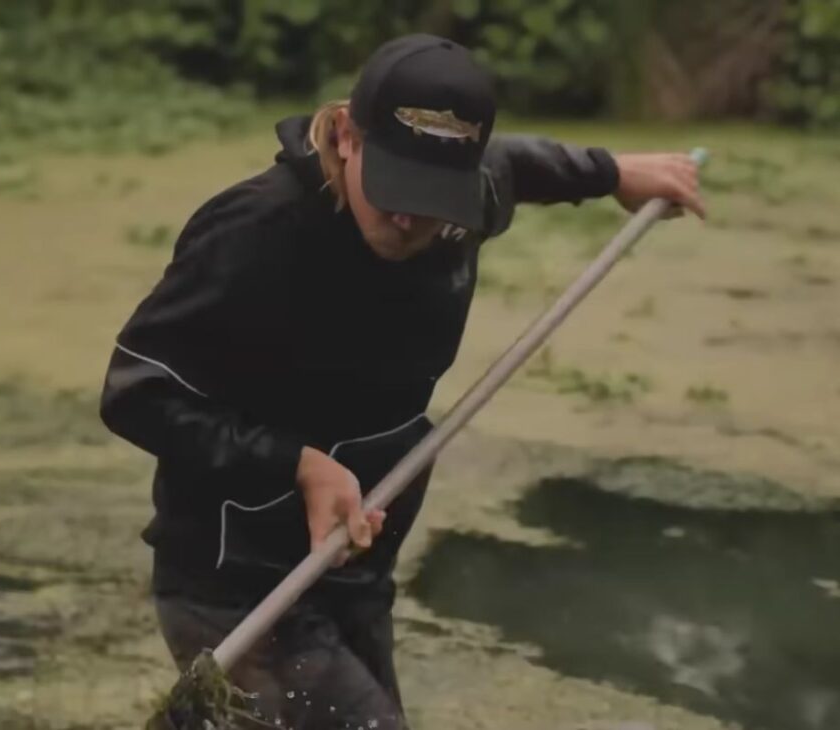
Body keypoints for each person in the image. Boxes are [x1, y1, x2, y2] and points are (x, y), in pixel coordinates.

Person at [100, 33, 704, 730]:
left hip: (355, 568)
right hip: (239, 584)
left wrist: (609, 173)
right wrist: (294, 466)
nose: (409, 217)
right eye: (394, 190)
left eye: (432, 194)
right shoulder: (254, 231)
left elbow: (513, 165)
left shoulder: (459, 206)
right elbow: (136, 392)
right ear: (348, 137)